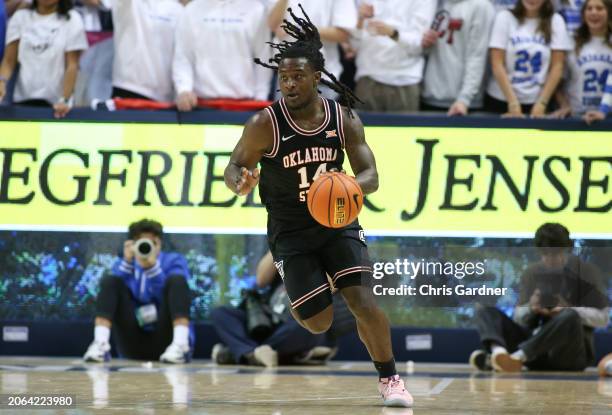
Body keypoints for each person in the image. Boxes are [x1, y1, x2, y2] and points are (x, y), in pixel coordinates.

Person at [223, 7, 412, 408]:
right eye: (283, 78)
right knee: (318, 322)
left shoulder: (342, 118)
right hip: (290, 231)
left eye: (297, 77)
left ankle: (391, 378)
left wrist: (342, 186)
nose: (288, 85)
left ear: (316, 78)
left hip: (338, 222)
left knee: (363, 301)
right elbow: (235, 165)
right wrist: (240, 180)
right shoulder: (264, 124)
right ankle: (315, 285)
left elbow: (371, 176)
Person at [470, 223, 610, 372]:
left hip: (569, 353)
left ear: (567, 250)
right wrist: (531, 307)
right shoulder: (532, 272)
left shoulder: (587, 272)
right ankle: (500, 354)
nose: (550, 259)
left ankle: (514, 359)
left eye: (555, 254)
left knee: (570, 316)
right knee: (484, 310)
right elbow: (519, 318)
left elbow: (603, 319)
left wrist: (568, 309)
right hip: (536, 348)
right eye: (545, 254)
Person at [83, 219, 193, 364]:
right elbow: (110, 292)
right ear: (131, 244)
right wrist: (127, 263)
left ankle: (181, 345)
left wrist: (152, 268)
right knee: (111, 281)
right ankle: (100, 344)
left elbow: (173, 296)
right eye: (140, 242)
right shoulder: (124, 263)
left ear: (159, 243)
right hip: (132, 340)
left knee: (177, 281)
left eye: (151, 243)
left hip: (166, 338)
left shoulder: (174, 261)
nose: (145, 246)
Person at [210, 251, 335, 367]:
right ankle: (294, 355)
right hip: (267, 318)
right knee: (220, 313)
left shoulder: (330, 245)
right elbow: (261, 281)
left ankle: (245, 353)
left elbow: (331, 285)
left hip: (297, 320)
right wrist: (279, 242)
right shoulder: (283, 241)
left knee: (309, 319)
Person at [172, 0, 272, 112]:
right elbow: (183, 56)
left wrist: (261, 98)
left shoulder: (256, 10)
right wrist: (184, 89)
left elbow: (263, 57)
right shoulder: (192, 10)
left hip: (245, 105)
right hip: (201, 106)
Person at [0, 0, 87, 117]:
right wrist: (2, 81)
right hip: (22, 100)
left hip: (56, 105)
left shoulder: (72, 19)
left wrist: (65, 99)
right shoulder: (20, 18)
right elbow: (9, 61)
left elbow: (72, 65)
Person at [486, 0, 572, 117]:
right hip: (501, 100)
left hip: (540, 102)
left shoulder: (556, 21)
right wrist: (513, 103)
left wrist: (542, 103)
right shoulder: (505, 18)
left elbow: (557, 66)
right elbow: (497, 63)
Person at [351, 0, 435, 112]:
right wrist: (360, 20)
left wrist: (393, 33)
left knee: (405, 129)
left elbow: (419, 46)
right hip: (367, 77)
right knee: (361, 129)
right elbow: (353, 45)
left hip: (404, 80)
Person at [267, 0, 357, 99]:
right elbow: (272, 24)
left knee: (321, 114)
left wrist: (301, 29)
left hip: (321, 79)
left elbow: (343, 34)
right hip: (286, 78)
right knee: (282, 114)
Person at [421, 0, 495, 115]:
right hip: (430, 95)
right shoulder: (434, 4)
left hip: (463, 104)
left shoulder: (481, 6)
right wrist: (424, 44)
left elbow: (477, 56)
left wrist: (464, 99)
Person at [111, 0, 184, 102]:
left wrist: (182, 89)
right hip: (128, 88)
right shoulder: (129, 4)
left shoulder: (179, 11)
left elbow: (182, 56)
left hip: (166, 97)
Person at [553, 0, 612, 119]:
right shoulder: (571, 43)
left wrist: (604, 110)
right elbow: (558, 81)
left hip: (608, 118)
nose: (593, 12)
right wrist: (564, 104)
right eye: (589, 9)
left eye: (599, 8)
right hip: (578, 117)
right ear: (583, 15)